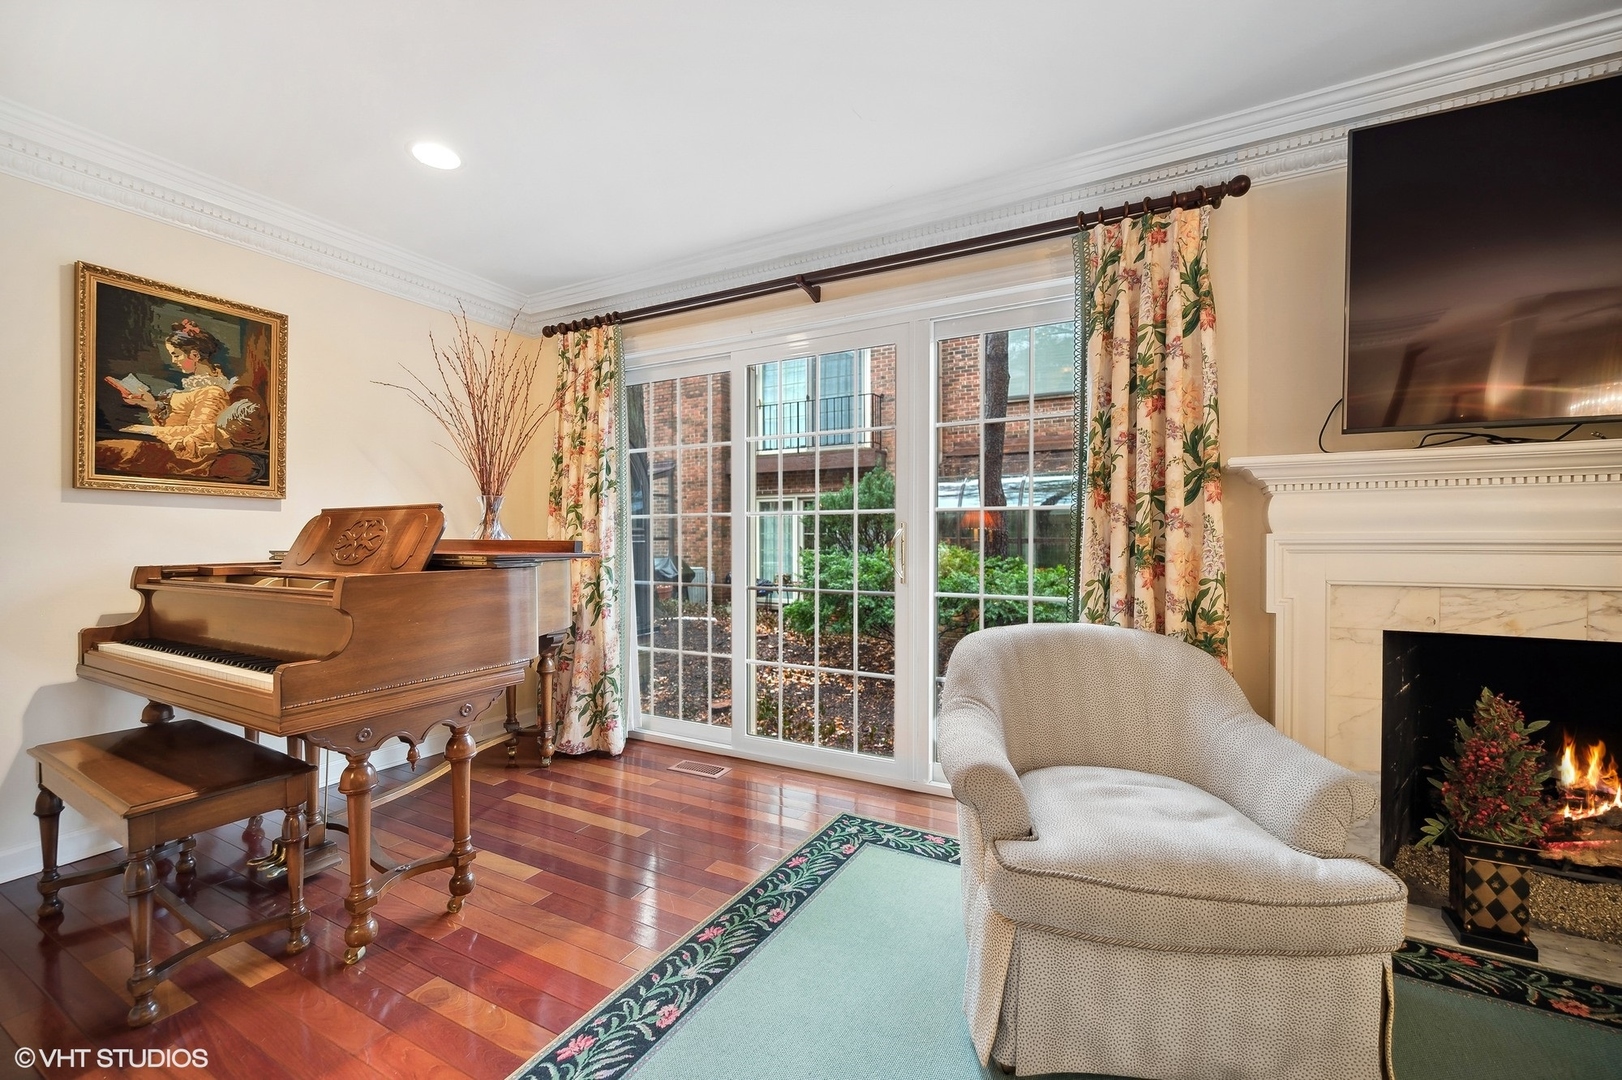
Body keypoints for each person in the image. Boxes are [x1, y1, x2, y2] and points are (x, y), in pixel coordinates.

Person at [97, 318, 268, 480]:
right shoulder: (196, 387)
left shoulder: (213, 391)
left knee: (110, 452)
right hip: (169, 446)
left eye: (176, 355)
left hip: (186, 456)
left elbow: (199, 432)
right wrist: (152, 405)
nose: (173, 361)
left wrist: (146, 430)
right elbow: (174, 425)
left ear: (194, 355)